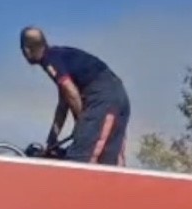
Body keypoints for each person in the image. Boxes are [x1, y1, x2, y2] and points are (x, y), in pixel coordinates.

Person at [19, 26, 130, 165]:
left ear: (26, 50)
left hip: (103, 98)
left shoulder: (49, 60)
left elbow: (71, 93)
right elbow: (64, 102)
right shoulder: (60, 56)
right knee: (108, 160)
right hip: (116, 95)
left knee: (80, 156)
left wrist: (81, 123)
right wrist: (52, 138)